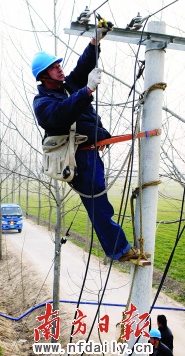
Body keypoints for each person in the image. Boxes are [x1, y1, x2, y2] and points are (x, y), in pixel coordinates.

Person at [31, 30, 151, 262]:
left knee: (101, 205)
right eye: (54, 66)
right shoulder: (43, 103)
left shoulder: (68, 86)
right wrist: (87, 91)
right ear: (43, 75)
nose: (59, 68)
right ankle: (120, 250)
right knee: (99, 208)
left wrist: (95, 42)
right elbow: (61, 114)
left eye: (58, 64)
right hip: (78, 160)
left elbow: (82, 66)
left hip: (90, 155)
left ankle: (120, 248)